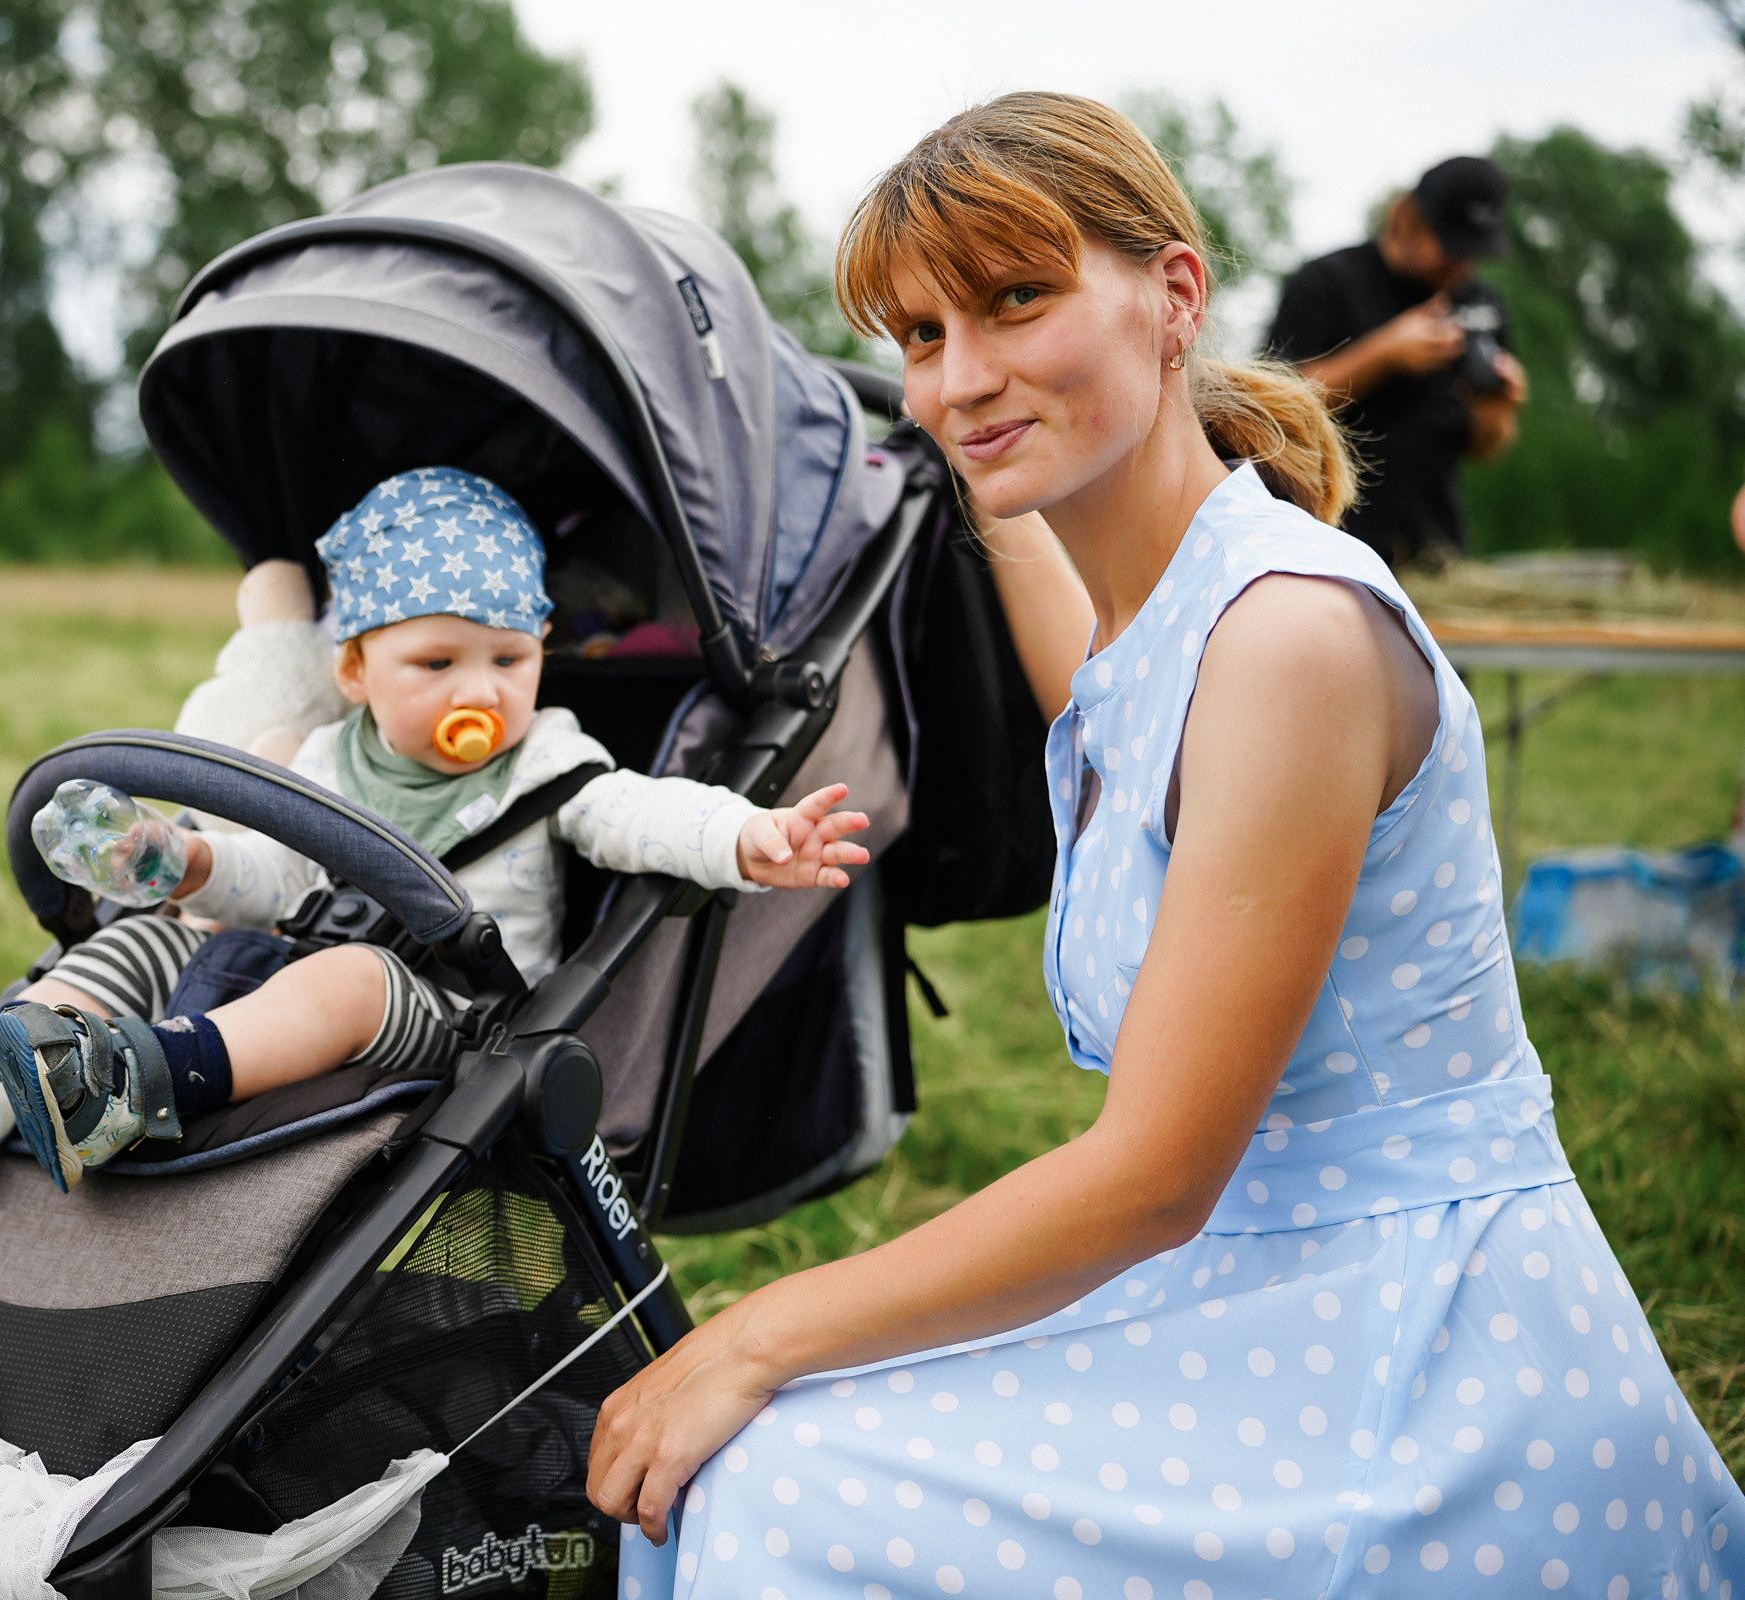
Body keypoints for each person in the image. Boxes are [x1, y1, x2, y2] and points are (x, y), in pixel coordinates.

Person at [592, 93, 1742, 1596]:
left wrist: (752, 1326)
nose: (963, 374)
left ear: (1175, 294)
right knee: (732, 1467)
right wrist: (920, 441)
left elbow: (1154, 1177)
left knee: (767, 1470)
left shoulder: (1289, 640)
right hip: (1257, 1292)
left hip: (1419, 1356)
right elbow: (1079, 635)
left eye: (1018, 299)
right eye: (922, 335)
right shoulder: (1160, 625)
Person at [0, 466, 872, 1199]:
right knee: (142, 934)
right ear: (355, 671)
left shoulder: (547, 761)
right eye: (438, 664)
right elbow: (272, 879)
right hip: (285, 959)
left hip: (448, 1016)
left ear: (543, 651)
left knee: (350, 977)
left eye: (510, 659)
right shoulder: (321, 761)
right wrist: (182, 863)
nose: (484, 691)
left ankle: (135, 1082)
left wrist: (743, 837)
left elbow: (643, 809)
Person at [1264, 156, 1529, 570]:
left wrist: (1496, 414)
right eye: (1450, 244)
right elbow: (1274, 407)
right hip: (1330, 545)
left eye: (1473, 250)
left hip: (1436, 552)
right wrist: (1384, 354)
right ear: (1405, 218)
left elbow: (1485, 449)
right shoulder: (1325, 282)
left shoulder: (1480, 302)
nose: (1462, 264)